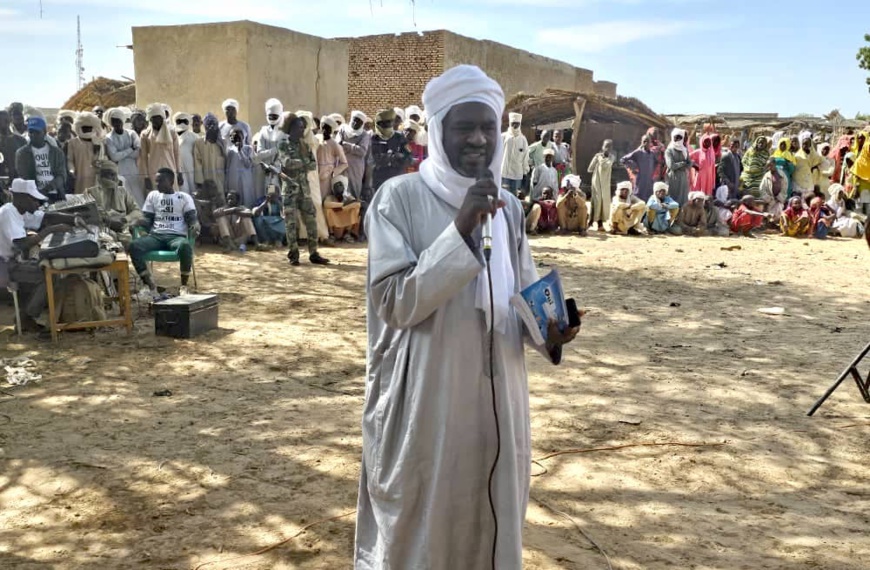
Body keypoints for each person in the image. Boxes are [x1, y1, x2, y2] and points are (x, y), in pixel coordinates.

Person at [356, 65, 579, 570]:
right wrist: (459, 229)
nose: (479, 139)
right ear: (438, 131)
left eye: (488, 127)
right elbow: (393, 302)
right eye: (464, 127)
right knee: (426, 523)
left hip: (500, 394)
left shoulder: (510, 210)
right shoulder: (400, 199)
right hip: (427, 398)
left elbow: (521, 298)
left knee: (494, 513)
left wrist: (551, 333)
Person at [0, 179, 83, 329]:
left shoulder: (20, 210)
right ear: (21, 197)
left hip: (12, 260)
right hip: (5, 264)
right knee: (49, 274)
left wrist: (75, 219)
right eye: (34, 200)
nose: (37, 204)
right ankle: (26, 318)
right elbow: (22, 243)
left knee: (48, 268)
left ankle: (28, 314)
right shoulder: (8, 213)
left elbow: (47, 217)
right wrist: (50, 230)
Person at [130, 168, 198, 295]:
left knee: (185, 246)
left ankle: (183, 286)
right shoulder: (153, 196)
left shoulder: (183, 197)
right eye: (156, 181)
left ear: (171, 181)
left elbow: (192, 219)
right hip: (156, 236)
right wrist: (138, 222)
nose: (157, 184)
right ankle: (149, 285)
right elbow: (147, 219)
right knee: (134, 246)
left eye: (160, 181)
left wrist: (195, 226)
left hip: (176, 237)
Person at [277, 113, 329, 266]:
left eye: (303, 127)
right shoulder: (283, 144)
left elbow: (313, 165)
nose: (302, 130)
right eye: (299, 127)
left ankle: (314, 253)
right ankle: (294, 254)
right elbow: (286, 163)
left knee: (311, 221)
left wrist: (299, 163)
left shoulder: (305, 145)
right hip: (290, 190)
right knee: (291, 224)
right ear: (291, 128)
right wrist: (303, 162)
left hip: (304, 190)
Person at [85, 160, 141, 248]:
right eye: (106, 174)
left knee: (128, 241)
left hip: (122, 229)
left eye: (112, 174)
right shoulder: (90, 192)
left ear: (116, 176)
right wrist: (107, 221)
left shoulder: (123, 192)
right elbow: (87, 215)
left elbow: (137, 211)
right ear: (100, 176)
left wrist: (124, 220)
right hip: (100, 228)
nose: (109, 177)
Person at [15, 117, 66, 203]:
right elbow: (24, 177)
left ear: (45, 132)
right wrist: (38, 192)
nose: (33, 135)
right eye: (31, 132)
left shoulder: (57, 152)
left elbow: (62, 175)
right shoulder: (22, 153)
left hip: (56, 195)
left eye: (37, 132)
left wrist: (48, 188)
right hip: (33, 196)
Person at [104, 107, 144, 207]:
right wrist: (130, 149)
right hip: (120, 171)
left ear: (122, 120)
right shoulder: (108, 138)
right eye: (113, 121)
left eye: (118, 121)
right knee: (124, 196)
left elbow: (138, 152)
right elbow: (114, 157)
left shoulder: (132, 134)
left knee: (138, 195)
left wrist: (121, 153)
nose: (116, 124)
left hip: (134, 169)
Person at [139, 103, 182, 193]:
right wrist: (146, 177)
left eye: (159, 118)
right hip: (154, 173)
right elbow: (144, 157)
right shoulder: (145, 134)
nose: (157, 121)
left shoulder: (171, 132)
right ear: (150, 119)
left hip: (170, 170)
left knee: (173, 196)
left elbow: (177, 153)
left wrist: (179, 172)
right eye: (154, 118)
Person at [370, 109, 411, 193]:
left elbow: (409, 156)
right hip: (379, 179)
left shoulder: (399, 137)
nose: (386, 125)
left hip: (397, 178)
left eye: (388, 122)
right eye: (383, 123)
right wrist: (391, 157)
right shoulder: (373, 138)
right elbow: (372, 158)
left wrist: (401, 158)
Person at [255, 98, 288, 198]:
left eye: (275, 116)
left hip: (282, 172)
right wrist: (276, 150)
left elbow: (287, 153)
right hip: (268, 172)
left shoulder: (285, 133)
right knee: (270, 197)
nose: (272, 118)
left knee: (283, 198)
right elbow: (260, 154)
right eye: (270, 116)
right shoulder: (263, 132)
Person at [336, 110, 371, 201]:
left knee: (354, 192)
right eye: (354, 120)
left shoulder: (364, 135)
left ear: (362, 124)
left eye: (359, 122)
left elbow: (362, 151)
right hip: (341, 165)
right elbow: (337, 144)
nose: (355, 123)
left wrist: (345, 144)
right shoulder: (343, 129)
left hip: (355, 168)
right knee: (339, 190)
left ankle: (353, 213)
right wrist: (353, 147)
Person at [67, 111, 104, 195]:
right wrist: (71, 170)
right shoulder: (72, 142)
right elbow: (70, 160)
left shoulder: (99, 142)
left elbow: (103, 160)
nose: (87, 130)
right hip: (80, 179)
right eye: (84, 128)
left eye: (89, 128)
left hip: (95, 180)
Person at [194, 113, 227, 197]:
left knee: (220, 200)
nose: (211, 127)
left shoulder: (223, 142)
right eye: (208, 124)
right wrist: (200, 182)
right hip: (206, 179)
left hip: (221, 179)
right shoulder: (199, 142)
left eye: (214, 124)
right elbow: (197, 163)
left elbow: (227, 159)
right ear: (204, 126)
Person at [316, 115, 349, 201]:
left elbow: (344, 163)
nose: (324, 131)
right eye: (323, 128)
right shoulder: (317, 140)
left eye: (327, 129)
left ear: (331, 130)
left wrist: (333, 172)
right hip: (316, 173)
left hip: (327, 176)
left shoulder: (334, 144)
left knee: (325, 199)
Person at [322, 175, 361, 242]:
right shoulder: (330, 197)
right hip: (335, 226)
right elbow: (326, 204)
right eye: (336, 186)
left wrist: (342, 208)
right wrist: (343, 204)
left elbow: (357, 204)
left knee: (355, 209)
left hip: (345, 225)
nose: (338, 188)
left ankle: (347, 233)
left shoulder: (348, 196)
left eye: (340, 185)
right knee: (327, 210)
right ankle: (331, 235)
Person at [225, 125, 256, 207]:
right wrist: (226, 185)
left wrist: (240, 151)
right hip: (233, 179)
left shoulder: (248, 149)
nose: (234, 137)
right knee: (235, 200)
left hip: (246, 180)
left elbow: (248, 164)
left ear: (242, 136)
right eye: (231, 136)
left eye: (236, 135)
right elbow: (227, 168)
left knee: (247, 199)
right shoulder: (230, 150)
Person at [587, 139, 614, 231]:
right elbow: (589, 169)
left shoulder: (612, 157)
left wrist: (599, 158)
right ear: (602, 147)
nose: (607, 148)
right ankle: (591, 221)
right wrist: (595, 159)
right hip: (597, 182)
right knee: (596, 201)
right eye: (606, 146)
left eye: (609, 146)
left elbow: (605, 165)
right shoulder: (597, 156)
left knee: (604, 202)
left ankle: (600, 223)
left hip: (605, 183)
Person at [620, 134, 657, 201]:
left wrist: (652, 173)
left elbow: (656, 163)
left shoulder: (652, 154)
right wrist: (632, 167)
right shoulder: (638, 152)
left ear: (650, 142)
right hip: (640, 181)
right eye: (644, 141)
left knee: (649, 201)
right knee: (638, 200)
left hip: (649, 182)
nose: (646, 143)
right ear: (641, 142)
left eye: (648, 141)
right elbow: (623, 160)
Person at [501, 112, 529, 196]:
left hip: (517, 175)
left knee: (514, 197)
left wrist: (525, 172)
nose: (515, 126)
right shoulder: (503, 137)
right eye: (513, 123)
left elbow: (525, 156)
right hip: (504, 173)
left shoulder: (523, 139)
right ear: (510, 123)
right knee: (503, 196)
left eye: (517, 124)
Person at [665, 129, 693, 206]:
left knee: (683, 199)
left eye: (679, 137)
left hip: (683, 178)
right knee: (672, 199)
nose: (677, 139)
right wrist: (683, 163)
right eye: (676, 137)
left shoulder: (684, 150)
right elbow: (671, 166)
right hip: (673, 178)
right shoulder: (669, 150)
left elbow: (689, 163)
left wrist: (686, 165)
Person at [174, 112, 198, 195]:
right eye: (179, 121)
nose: (182, 123)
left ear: (189, 122)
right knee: (182, 192)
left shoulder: (194, 137)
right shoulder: (172, 135)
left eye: (185, 121)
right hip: (177, 168)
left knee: (193, 190)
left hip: (191, 168)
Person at [0, 110, 27, 179]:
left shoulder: (21, 141)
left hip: (18, 181)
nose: (4, 122)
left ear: (9, 120)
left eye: (6, 120)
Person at [793, 131, 821, 197]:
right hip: (798, 181)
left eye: (807, 144)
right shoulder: (797, 155)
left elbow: (816, 162)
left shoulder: (813, 154)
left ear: (810, 145)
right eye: (803, 144)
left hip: (808, 180)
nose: (805, 146)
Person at [850, 131, 870, 215]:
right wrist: (855, 189)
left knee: (867, 211)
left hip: (867, 191)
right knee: (859, 211)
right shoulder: (860, 162)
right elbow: (855, 176)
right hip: (860, 190)